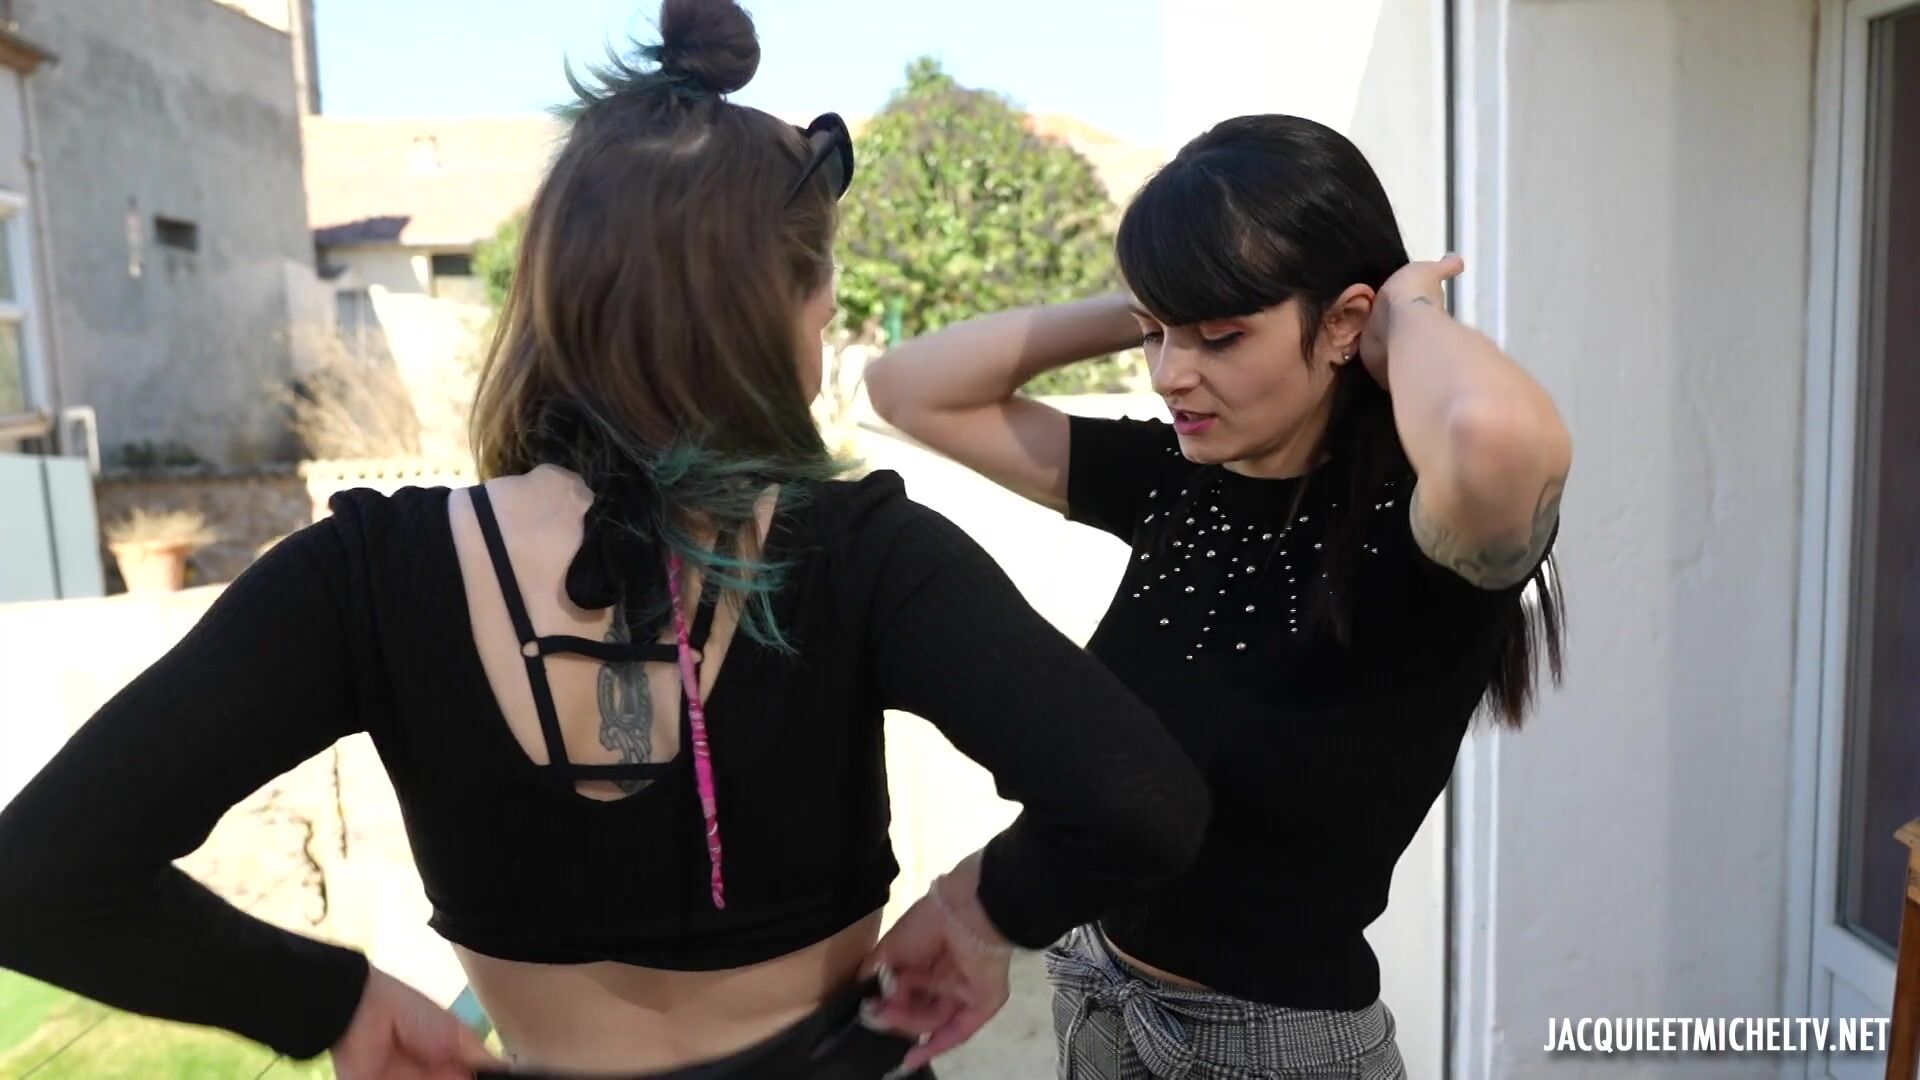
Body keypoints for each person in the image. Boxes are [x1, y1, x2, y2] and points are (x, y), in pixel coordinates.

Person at [0, 3, 1211, 1076]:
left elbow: (39, 878)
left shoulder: (361, 576)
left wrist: (331, 1002)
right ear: (767, 313)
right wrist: (986, 911)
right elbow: (1139, 798)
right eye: (821, 300)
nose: (823, 331)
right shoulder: (864, 553)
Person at [866, 113, 1571, 1078]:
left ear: (1343, 324)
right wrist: (1165, 295)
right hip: (1096, 993)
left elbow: (1495, 433)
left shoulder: (1423, 532)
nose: (1169, 374)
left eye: (1220, 336)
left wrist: (1409, 315)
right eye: (1154, 336)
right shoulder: (1177, 476)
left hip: (1274, 1051)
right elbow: (907, 387)